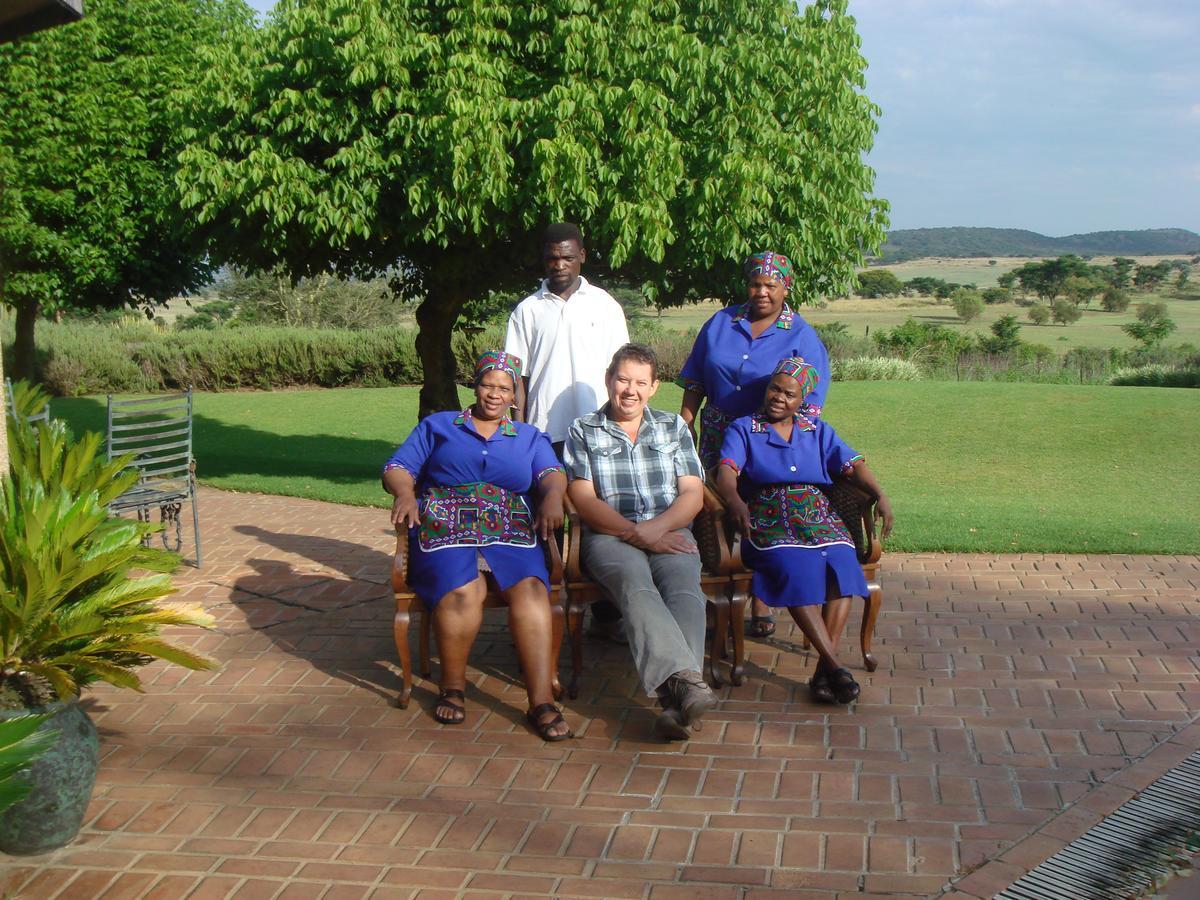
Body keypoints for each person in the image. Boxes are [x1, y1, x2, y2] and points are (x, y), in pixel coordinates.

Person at [382, 350, 572, 741]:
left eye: (504, 388)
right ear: (475, 384)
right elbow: (398, 467)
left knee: (533, 591)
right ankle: (453, 687)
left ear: (515, 394)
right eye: (488, 384)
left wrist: (553, 496)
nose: (494, 394)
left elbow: (552, 472)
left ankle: (541, 701)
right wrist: (404, 493)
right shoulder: (439, 425)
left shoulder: (529, 436)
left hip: (509, 526)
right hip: (446, 524)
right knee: (465, 591)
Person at [714, 357, 894, 704]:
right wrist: (734, 500)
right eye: (774, 389)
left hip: (817, 512)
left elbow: (854, 465)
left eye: (790, 394)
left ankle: (824, 671)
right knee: (793, 567)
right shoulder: (744, 428)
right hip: (769, 515)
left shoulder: (818, 430)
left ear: (802, 400)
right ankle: (836, 667)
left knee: (842, 566)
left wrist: (880, 494)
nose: (779, 398)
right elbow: (726, 470)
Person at [563, 343, 716, 740]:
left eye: (640, 382)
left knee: (685, 590)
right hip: (610, 534)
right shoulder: (583, 430)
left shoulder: (673, 427)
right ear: (609, 380)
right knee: (635, 586)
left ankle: (677, 702)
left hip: (670, 529)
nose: (630, 390)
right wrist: (636, 535)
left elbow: (692, 494)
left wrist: (657, 529)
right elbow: (582, 498)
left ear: (654, 387)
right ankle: (687, 686)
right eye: (623, 379)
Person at [677, 250, 830, 638]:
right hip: (716, 434)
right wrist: (686, 423)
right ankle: (715, 591)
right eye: (755, 283)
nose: (762, 292)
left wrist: (783, 441)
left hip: (766, 440)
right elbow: (695, 379)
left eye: (771, 285)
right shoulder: (721, 322)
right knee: (714, 509)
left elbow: (810, 406)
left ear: (786, 287)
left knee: (759, 511)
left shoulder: (802, 335)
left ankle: (762, 598)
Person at [506, 222, 630, 640]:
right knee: (549, 519)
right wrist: (520, 430)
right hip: (545, 432)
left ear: (582, 256)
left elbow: (623, 370)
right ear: (543, 258)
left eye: (567, 256)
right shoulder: (527, 309)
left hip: (599, 431)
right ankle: (546, 604)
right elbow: (516, 376)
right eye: (551, 257)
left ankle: (606, 609)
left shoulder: (605, 305)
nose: (559, 264)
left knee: (600, 515)